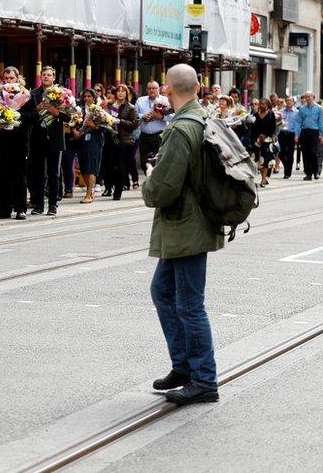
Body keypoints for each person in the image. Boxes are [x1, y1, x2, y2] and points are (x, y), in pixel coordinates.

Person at [142, 63, 224, 406]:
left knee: (189, 304)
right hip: (191, 222)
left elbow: (162, 190)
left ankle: (204, 379)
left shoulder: (182, 128)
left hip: (186, 224)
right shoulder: (202, 117)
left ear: (168, 89)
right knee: (162, 291)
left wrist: (149, 177)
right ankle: (184, 367)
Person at [26, 68, 70, 216]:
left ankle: (52, 205)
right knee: (38, 173)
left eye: (49, 75)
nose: (45, 77)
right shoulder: (33, 94)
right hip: (38, 138)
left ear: (53, 77)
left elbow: (70, 117)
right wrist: (38, 108)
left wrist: (56, 113)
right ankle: (38, 205)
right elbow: (27, 115)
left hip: (55, 138)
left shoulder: (62, 94)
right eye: (43, 75)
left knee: (54, 173)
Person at [0, 66, 31, 220]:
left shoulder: (26, 95)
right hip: (2, 139)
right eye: (6, 79)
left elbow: (33, 116)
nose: (9, 82)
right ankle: (4, 208)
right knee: (2, 175)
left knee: (18, 175)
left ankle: (20, 208)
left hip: (19, 140)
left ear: (17, 79)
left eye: (12, 79)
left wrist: (16, 115)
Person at [111, 84, 140, 201]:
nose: (120, 93)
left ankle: (118, 192)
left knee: (121, 167)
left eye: (123, 91)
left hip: (125, 141)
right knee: (112, 166)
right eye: (118, 91)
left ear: (127, 94)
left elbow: (135, 123)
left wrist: (120, 121)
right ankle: (113, 187)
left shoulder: (131, 107)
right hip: (113, 139)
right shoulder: (112, 106)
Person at [135, 81, 169, 176]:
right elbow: (135, 115)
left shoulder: (165, 100)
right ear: (146, 90)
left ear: (158, 89)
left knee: (159, 160)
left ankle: (158, 181)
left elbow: (173, 116)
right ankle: (149, 180)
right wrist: (144, 116)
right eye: (149, 88)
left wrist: (161, 117)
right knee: (144, 161)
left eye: (154, 88)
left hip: (159, 136)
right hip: (144, 136)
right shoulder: (140, 100)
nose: (151, 90)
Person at [77, 89, 104, 204]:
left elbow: (103, 127)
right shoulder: (80, 110)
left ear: (94, 98)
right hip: (82, 141)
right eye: (85, 96)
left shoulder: (98, 110)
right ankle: (90, 189)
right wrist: (75, 131)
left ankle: (88, 194)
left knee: (91, 167)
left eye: (89, 96)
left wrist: (92, 125)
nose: (87, 98)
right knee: (83, 167)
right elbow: (74, 123)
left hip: (94, 140)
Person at [295, 91, 323, 181]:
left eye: (309, 96)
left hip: (314, 132)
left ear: (314, 97)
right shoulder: (302, 109)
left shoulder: (319, 108)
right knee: (305, 153)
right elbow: (298, 122)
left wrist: (322, 135)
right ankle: (308, 173)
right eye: (306, 97)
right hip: (304, 132)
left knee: (313, 152)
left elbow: (321, 122)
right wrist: (297, 134)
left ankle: (315, 172)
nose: (307, 98)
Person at [250, 97, 278, 187]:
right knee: (258, 160)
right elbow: (253, 128)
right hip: (257, 140)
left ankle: (263, 179)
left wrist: (265, 135)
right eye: (260, 104)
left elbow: (273, 127)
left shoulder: (270, 114)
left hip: (267, 140)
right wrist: (257, 137)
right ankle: (263, 177)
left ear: (267, 105)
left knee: (265, 160)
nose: (261, 105)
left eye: (263, 104)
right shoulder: (255, 115)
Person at [277, 97, 299, 179]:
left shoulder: (297, 112)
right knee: (280, 153)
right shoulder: (281, 112)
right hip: (282, 133)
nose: (289, 102)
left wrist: (297, 135)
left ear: (293, 102)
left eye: (290, 101)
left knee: (290, 153)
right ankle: (287, 166)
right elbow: (278, 123)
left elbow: (298, 125)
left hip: (291, 134)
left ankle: (287, 172)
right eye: (287, 101)